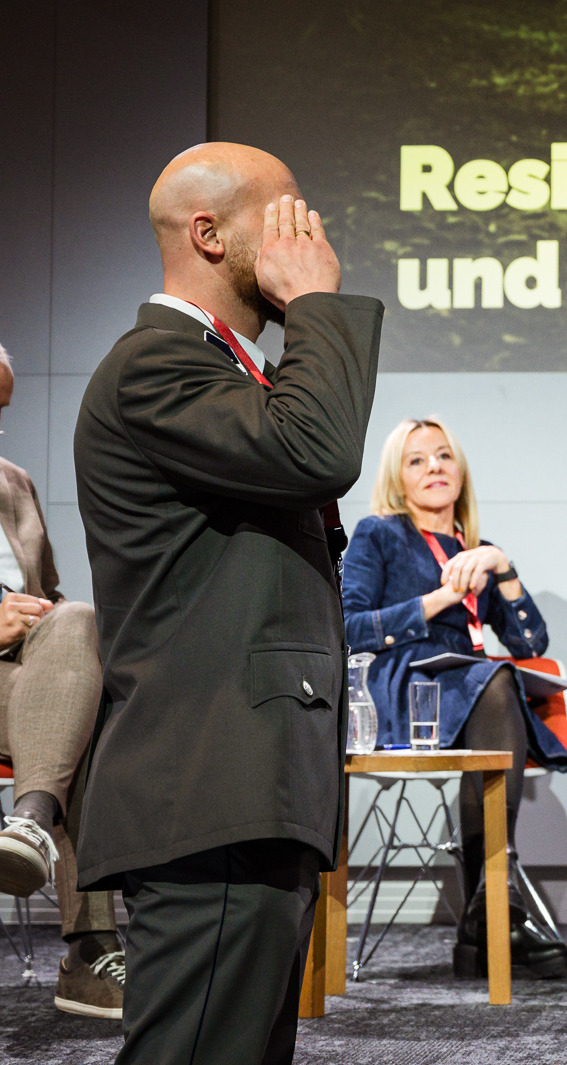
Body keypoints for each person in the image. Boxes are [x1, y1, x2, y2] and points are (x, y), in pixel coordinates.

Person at [73, 144, 382, 1064]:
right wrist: (319, 305)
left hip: (248, 791)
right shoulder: (153, 366)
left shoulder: (221, 369)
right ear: (209, 234)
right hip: (209, 786)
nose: (308, 233)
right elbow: (315, 453)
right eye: (284, 213)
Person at [342, 416, 567, 978]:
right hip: (403, 686)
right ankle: (498, 898)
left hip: (468, 689)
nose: (434, 468)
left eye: (444, 456)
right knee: (494, 682)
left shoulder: (479, 549)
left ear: (460, 469)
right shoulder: (379, 533)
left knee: (496, 677)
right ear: (398, 476)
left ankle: (483, 922)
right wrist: (440, 599)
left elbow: (530, 642)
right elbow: (349, 627)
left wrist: (504, 567)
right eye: (416, 460)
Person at [0, 346, 123, 1019]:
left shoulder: (12, 480)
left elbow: (48, 592)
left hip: (27, 679)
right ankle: (91, 946)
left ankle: (28, 820)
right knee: (83, 718)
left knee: (81, 628)